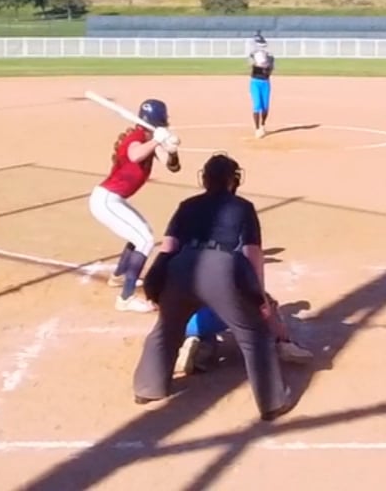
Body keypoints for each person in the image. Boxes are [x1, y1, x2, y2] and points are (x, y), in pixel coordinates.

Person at [134, 153, 295, 420]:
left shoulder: (187, 205)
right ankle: (272, 403)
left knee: (167, 329)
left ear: (205, 179)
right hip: (221, 268)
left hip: (180, 267)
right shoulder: (242, 207)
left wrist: (156, 282)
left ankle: (148, 388)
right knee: (253, 333)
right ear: (233, 180)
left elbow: (168, 248)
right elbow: (253, 254)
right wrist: (260, 299)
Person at [89, 98, 180, 312]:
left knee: (142, 232)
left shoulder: (148, 138)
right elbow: (135, 154)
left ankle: (119, 276)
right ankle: (125, 299)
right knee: (144, 239)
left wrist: (172, 150)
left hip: (114, 200)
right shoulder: (136, 138)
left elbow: (173, 167)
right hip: (106, 200)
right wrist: (157, 141)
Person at [177, 292, 313, 376]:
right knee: (262, 305)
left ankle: (192, 343)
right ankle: (285, 344)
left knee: (209, 336)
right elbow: (264, 304)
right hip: (215, 315)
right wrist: (284, 338)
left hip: (180, 322)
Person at [248, 33, 276, 136]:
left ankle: (263, 124)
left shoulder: (270, 57)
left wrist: (266, 66)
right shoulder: (253, 55)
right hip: (255, 82)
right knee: (257, 105)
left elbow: (270, 70)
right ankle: (257, 129)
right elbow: (251, 66)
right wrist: (257, 62)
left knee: (265, 107)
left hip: (265, 83)